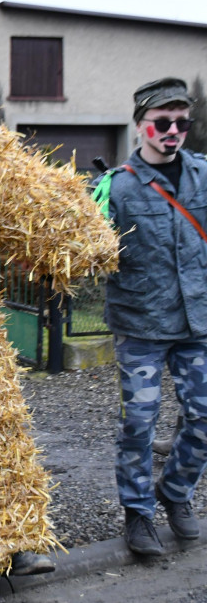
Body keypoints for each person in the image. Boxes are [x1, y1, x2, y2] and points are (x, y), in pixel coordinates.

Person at [97, 77, 207, 556]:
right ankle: (138, 515)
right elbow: (87, 250)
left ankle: (175, 493)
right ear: (141, 126)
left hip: (196, 323)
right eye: (163, 122)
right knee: (138, 426)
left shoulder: (204, 175)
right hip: (141, 323)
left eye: (182, 122)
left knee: (204, 416)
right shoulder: (115, 187)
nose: (173, 131)